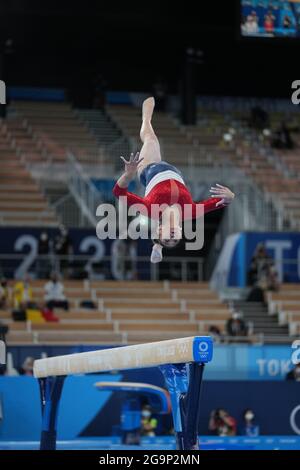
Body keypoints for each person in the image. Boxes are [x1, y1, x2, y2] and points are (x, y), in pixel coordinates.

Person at [113, 97, 235, 263]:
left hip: (149, 169)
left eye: (166, 239)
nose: (171, 237)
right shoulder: (190, 211)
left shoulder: (150, 209)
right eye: (175, 240)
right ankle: (158, 247)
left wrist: (128, 175)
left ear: (160, 230)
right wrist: (230, 197)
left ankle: (146, 118)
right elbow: (223, 201)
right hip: (174, 171)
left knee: (150, 138)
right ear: (180, 232)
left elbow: (118, 193)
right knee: (152, 140)